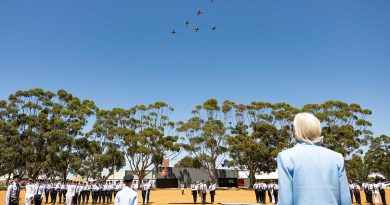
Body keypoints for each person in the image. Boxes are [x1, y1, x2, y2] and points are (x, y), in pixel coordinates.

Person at [277, 113, 351, 205]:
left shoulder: (286, 157)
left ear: (296, 131)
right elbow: (346, 200)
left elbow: (285, 201)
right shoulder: (337, 157)